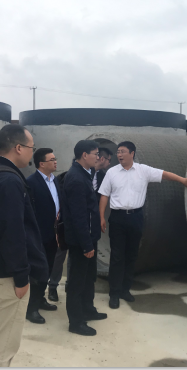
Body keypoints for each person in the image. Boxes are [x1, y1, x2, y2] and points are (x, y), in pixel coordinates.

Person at [0, 124, 49, 367]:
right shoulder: (9, 181)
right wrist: (21, 277)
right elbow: (13, 233)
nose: (32, 152)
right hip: (4, 278)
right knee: (0, 350)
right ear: (18, 148)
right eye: (31, 147)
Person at [99, 141, 187, 309]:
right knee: (117, 257)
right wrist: (101, 216)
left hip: (136, 217)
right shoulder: (111, 172)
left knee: (132, 255)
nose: (119, 155)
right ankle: (114, 293)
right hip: (117, 218)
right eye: (118, 152)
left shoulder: (143, 170)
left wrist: (183, 180)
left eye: (122, 151)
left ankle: (125, 290)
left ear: (132, 153)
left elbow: (164, 174)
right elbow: (104, 195)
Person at [48, 147, 114, 299]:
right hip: (71, 223)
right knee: (62, 255)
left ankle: (75, 289)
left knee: (80, 266)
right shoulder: (74, 176)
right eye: (107, 159)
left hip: (88, 226)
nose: (109, 163)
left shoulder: (101, 176)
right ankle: (53, 285)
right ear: (101, 158)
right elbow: (75, 210)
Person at [63, 140, 107, 336]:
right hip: (81, 241)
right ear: (84, 155)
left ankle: (88, 309)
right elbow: (79, 217)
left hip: (89, 238)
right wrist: (86, 245)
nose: (98, 158)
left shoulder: (84, 174)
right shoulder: (76, 178)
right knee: (77, 281)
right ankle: (76, 322)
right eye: (95, 154)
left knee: (89, 278)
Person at [25, 148, 60, 324]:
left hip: (54, 235)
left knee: (48, 269)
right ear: (41, 164)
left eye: (55, 158)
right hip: (38, 236)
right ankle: (31, 308)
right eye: (51, 159)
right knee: (37, 271)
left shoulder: (55, 180)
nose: (55, 162)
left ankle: (40, 299)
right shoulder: (31, 183)